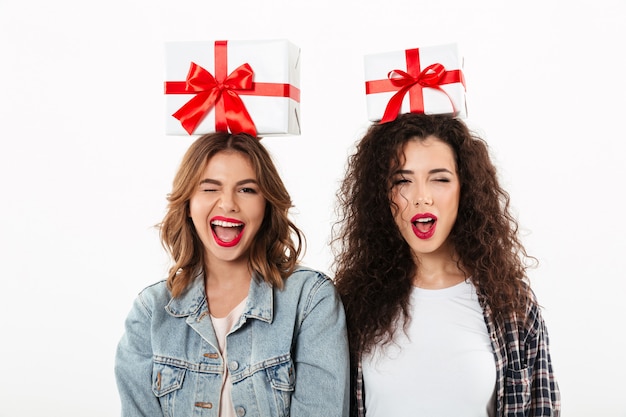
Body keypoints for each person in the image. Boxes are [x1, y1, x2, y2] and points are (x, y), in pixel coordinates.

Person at [332, 113, 560, 416]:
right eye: (402, 180)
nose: (421, 197)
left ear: (465, 189)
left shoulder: (512, 303)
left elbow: (540, 408)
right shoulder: (352, 304)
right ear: (381, 195)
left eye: (439, 179)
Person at [115, 132, 350, 417]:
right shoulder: (150, 312)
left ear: (267, 204)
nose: (228, 204)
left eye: (247, 189)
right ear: (188, 203)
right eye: (210, 188)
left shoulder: (310, 300)